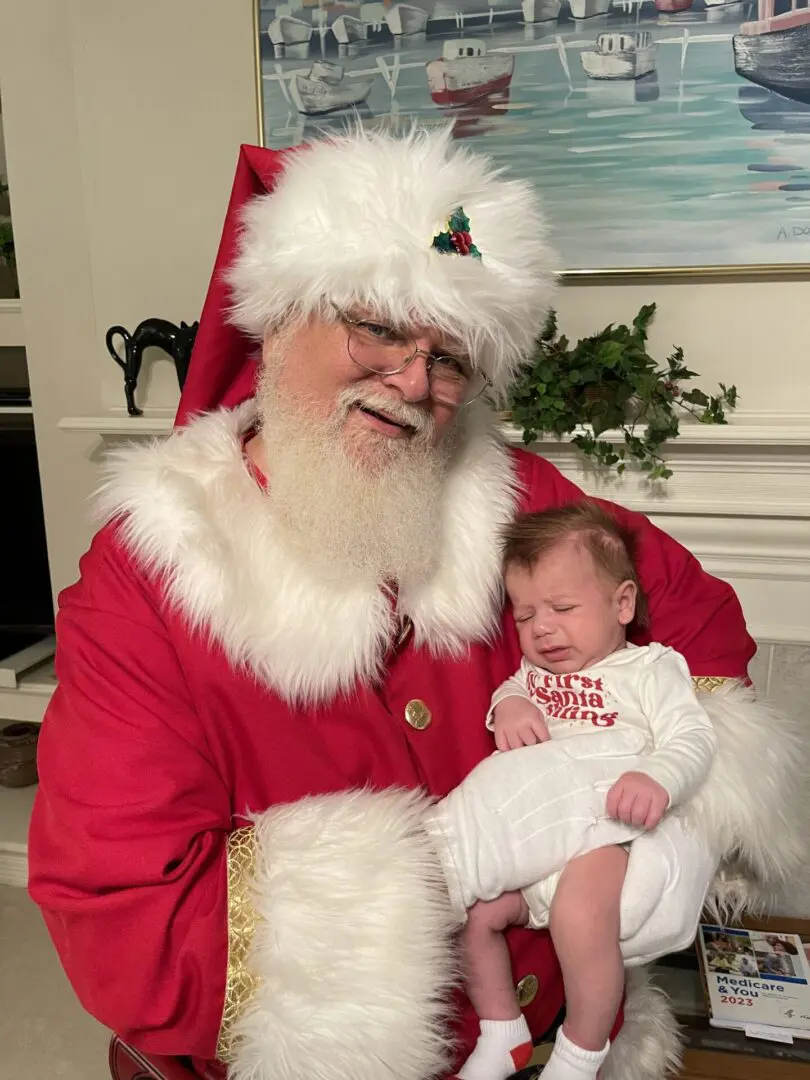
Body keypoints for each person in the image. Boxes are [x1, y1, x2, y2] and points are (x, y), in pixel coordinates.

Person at [26, 125, 805, 1080]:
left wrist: (673, 820)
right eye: (381, 328)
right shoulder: (151, 570)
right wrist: (449, 870)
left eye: (449, 358)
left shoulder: (517, 493)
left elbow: (694, 617)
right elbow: (126, 922)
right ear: (279, 317)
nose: (410, 383)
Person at [426, 502, 717, 1080]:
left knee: (581, 914)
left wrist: (656, 777)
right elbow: (510, 686)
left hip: (606, 826)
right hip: (539, 835)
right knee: (475, 913)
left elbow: (694, 736)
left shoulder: (649, 669)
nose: (542, 629)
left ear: (622, 604)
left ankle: (580, 1053)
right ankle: (502, 1029)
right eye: (525, 615)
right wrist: (506, 705)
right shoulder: (534, 674)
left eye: (562, 608)